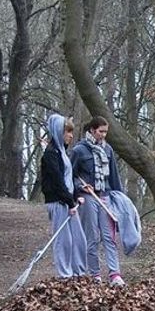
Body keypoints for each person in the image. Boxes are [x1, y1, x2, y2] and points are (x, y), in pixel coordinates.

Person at [71, 116, 126, 286]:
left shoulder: (108, 150)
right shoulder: (79, 150)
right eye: (101, 131)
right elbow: (70, 177)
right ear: (92, 130)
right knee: (92, 237)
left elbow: (114, 177)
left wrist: (119, 198)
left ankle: (114, 274)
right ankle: (95, 274)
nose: (103, 135)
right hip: (88, 197)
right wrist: (80, 187)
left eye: (105, 132)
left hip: (106, 196)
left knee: (109, 236)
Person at [40, 114, 86, 278]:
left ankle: (78, 273)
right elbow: (58, 182)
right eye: (67, 132)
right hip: (58, 202)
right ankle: (65, 275)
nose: (71, 135)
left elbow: (69, 179)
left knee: (79, 239)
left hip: (67, 201)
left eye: (71, 132)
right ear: (59, 132)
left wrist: (76, 196)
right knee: (64, 241)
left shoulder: (63, 153)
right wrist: (70, 202)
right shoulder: (51, 154)